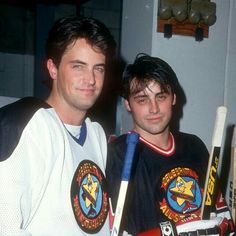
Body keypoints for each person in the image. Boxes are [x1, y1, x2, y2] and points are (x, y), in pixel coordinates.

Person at [0, 16, 116, 235]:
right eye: (78, 67)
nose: (90, 79)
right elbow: (5, 227)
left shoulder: (96, 134)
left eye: (98, 68)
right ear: (53, 68)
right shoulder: (26, 125)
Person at [106, 54, 235, 235]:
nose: (154, 108)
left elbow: (221, 216)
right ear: (128, 104)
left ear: (173, 98)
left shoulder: (194, 146)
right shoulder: (116, 155)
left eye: (161, 96)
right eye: (142, 99)